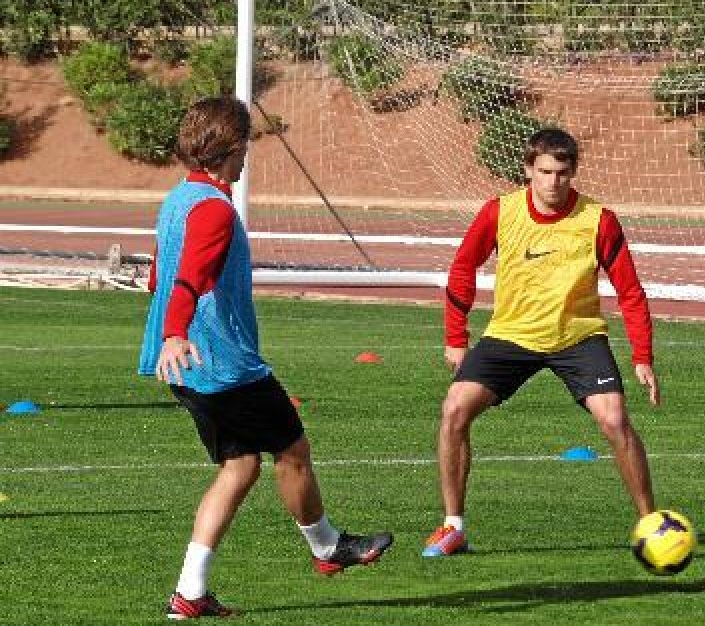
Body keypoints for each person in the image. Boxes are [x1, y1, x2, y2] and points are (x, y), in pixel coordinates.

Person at [139, 97, 392, 619]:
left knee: (240, 466)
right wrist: (176, 332)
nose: (247, 156)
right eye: (245, 145)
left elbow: (158, 276)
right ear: (231, 147)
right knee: (292, 448)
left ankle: (189, 592)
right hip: (221, 364)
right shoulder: (214, 209)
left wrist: (172, 334)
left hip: (188, 367)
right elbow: (189, 277)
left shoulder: (178, 198)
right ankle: (327, 547)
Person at [422, 128, 661, 557]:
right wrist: (456, 337)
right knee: (454, 410)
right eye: (545, 172)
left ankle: (651, 524)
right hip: (510, 335)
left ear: (573, 172)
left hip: (578, 337)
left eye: (562, 173)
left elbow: (630, 291)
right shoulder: (499, 212)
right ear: (528, 169)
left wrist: (642, 355)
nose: (553, 182)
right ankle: (453, 526)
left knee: (614, 420)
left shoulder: (599, 220)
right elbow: (462, 268)